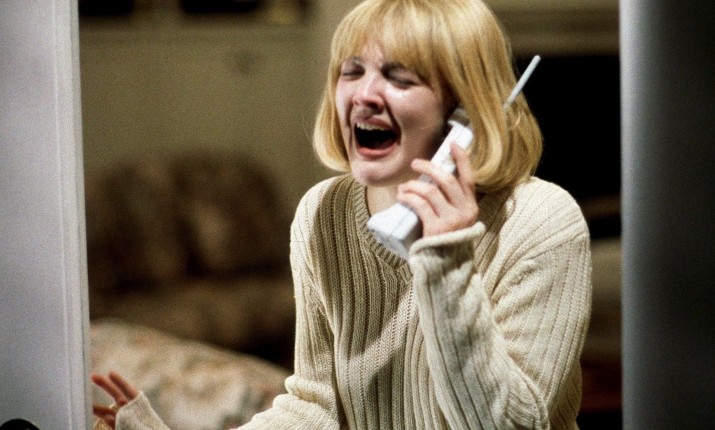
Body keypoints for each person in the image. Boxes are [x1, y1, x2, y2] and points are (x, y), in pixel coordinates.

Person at [92, 0, 592, 428]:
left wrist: (445, 263)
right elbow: (316, 404)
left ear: (465, 110)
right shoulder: (322, 214)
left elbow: (508, 424)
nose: (363, 95)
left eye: (399, 78)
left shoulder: (543, 222)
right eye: (352, 72)